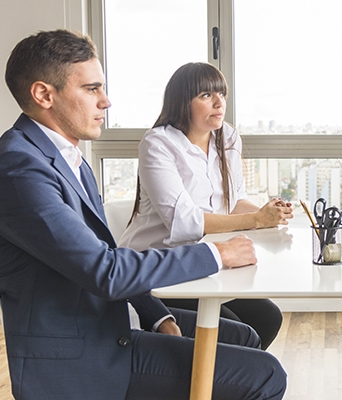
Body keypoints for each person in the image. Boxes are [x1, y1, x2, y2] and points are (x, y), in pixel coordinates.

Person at [0, 29, 286, 400]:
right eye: (91, 89)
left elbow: (108, 255)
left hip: (111, 318)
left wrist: (157, 314)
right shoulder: (20, 168)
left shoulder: (69, 159)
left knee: (245, 335)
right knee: (265, 375)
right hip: (85, 352)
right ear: (44, 95)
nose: (106, 101)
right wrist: (218, 254)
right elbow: (105, 271)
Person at [118, 62, 292, 350]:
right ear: (182, 102)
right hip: (158, 267)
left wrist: (267, 214)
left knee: (267, 317)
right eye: (206, 95)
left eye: (221, 94)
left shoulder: (227, 137)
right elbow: (184, 221)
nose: (218, 102)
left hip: (205, 261)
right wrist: (256, 220)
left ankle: (227, 383)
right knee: (240, 333)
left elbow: (233, 202)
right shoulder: (158, 143)